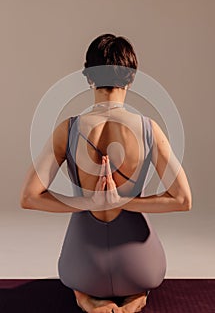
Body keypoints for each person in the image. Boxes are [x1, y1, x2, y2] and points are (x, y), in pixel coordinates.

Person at [20, 34, 192, 313]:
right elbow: (183, 200)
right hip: (141, 267)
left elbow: (29, 197)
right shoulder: (149, 129)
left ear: (88, 77)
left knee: (77, 281)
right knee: (142, 280)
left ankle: (85, 298)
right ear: (131, 78)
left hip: (83, 268)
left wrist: (90, 202)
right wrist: (123, 201)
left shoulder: (70, 128)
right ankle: (136, 296)